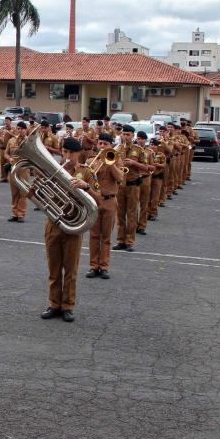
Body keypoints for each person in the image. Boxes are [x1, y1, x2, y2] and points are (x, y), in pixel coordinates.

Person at [41, 138, 100, 322]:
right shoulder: (53, 169)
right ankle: (53, 304)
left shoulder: (87, 172)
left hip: (74, 226)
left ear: (78, 153)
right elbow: (40, 192)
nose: (67, 156)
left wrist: (86, 187)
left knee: (71, 270)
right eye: (64, 152)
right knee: (54, 268)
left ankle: (67, 306)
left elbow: (98, 199)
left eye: (71, 153)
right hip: (54, 223)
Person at [86, 133, 124, 279]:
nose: (102, 146)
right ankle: (93, 266)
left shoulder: (116, 159)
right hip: (94, 201)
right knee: (94, 235)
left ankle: (104, 266)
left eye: (105, 144)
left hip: (109, 201)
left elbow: (120, 178)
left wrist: (111, 164)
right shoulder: (91, 160)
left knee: (106, 237)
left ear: (110, 145)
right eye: (100, 143)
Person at [112, 125, 150, 252]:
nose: (125, 137)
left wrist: (134, 163)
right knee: (120, 214)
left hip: (133, 185)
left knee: (132, 213)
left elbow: (146, 168)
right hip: (120, 186)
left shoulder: (138, 149)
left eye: (128, 135)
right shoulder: (117, 148)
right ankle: (120, 240)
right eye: (124, 134)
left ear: (133, 136)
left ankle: (129, 241)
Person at [5, 121, 29, 223]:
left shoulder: (29, 141)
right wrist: (9, 158)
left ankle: (21, 214)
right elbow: (6, 153)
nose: (19, 130)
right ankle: (14, 213)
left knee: (23, 193)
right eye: (18, 129)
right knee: (14, 193)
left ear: (25, 129)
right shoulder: (11, 140)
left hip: (23, 169)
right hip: (13, 168)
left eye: (21, 129)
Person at [135, 131, 153, 236]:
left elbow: (152, 167)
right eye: (138, 138)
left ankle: (142, 226)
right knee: (133, 204)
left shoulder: (149, 152)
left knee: (144, 203)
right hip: (135, 178)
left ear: (145, 140)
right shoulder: (133, 151)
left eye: (142, 139)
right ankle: (134, 224)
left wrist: (142, 166)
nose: (140, 140)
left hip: (145, 178)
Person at [146, 138, 165, 222]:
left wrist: (158, 165)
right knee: (147, 196)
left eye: (154, 145)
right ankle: (147, 212)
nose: (152, 146)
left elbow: (164, 165)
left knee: (155, 197)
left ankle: (153, 212)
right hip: (148, 177)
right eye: (151, 144)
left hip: (157, 177)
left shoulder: (161, 154)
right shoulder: (146, 153)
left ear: (157, 146)